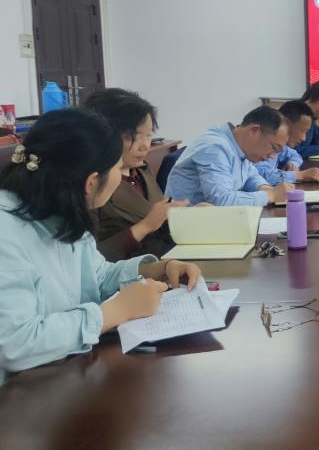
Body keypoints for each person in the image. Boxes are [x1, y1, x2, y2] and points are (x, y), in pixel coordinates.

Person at [0, 109, 203, 385]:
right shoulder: (7, 231)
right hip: (19, 396)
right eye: (118, 169)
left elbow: (95, 276)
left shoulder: (60, 207)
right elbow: (16, 344)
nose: (122, 177)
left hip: (64, 376)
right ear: (91, 182)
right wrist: (114, 313)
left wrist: (158, 269)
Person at [85, 88, 183, 261]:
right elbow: (89, 258)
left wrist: (191, 217)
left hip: (166, 259)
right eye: (133, 137)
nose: (145, 145)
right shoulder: (92, 184)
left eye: (149, 135)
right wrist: (144, 227)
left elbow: (160, 221)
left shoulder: (141, 169)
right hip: (132, 269)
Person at [165, 106, 293, 206]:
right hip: (185, 225)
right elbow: (220, 200)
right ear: (254, 130)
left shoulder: (240, 146)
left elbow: (251, 176)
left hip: (210, 221)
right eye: (274, 148)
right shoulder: (215, 148)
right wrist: (271, 196)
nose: (272, 156)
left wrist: (265, 188)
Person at [254, 100, 319, 185]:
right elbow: (261, 174)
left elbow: (295, 155)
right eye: (302, 131)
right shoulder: (264, 141)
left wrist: (292, 163)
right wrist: (300, 175)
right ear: (286, 123)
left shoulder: (281, 146)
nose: (304, 138)